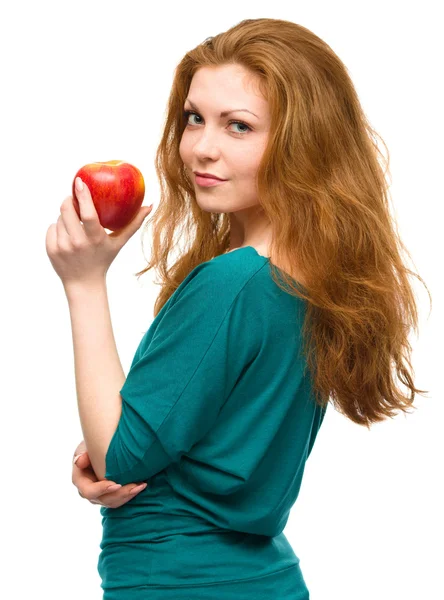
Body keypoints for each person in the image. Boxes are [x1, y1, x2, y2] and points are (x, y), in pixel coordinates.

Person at [71, 17, 430, 599]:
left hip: (182, 584)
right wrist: (110, 443)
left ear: (303, 142)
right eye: (195, 118)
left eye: (239, 126)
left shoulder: (235, 280)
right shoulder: (314, 278)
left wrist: (84, 281)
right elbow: (160, 443)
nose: (202, 148)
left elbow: (122, 458)